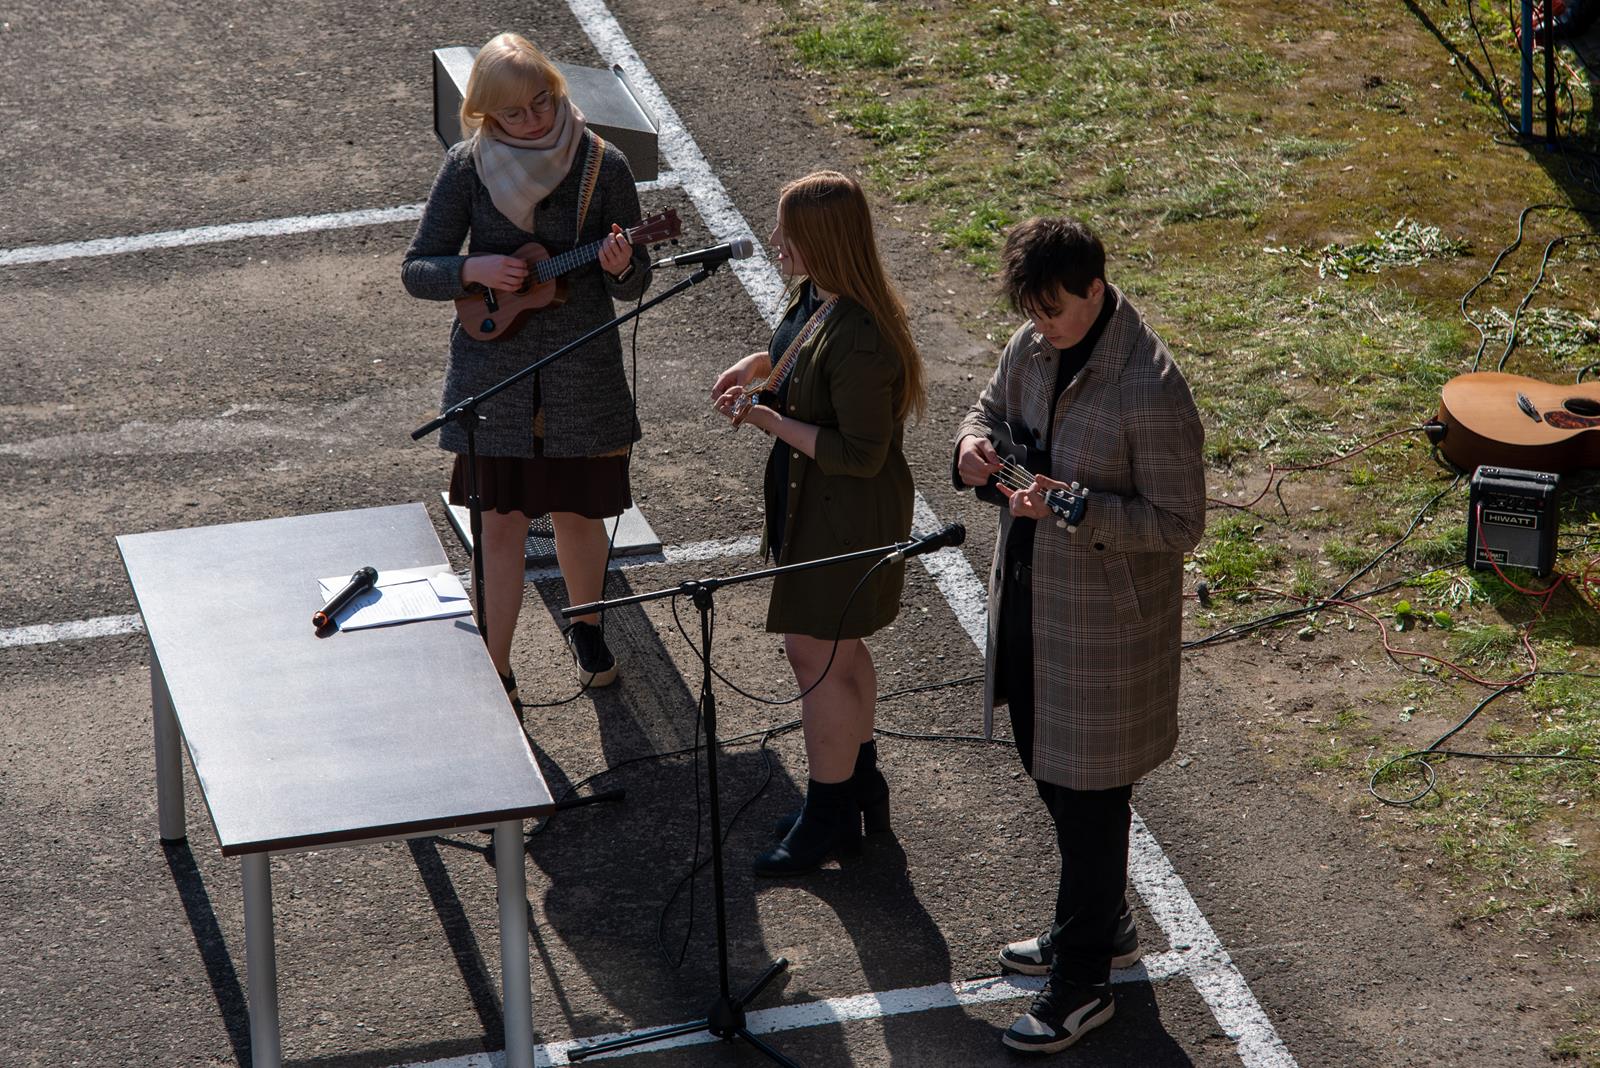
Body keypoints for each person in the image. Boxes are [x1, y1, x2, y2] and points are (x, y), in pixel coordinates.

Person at [952, 217, 1205, 1053]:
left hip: (1103, 635)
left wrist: (1070, 505)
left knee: (1092, 802)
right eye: (1031, 311)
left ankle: (1084, 981)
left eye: (1054, 310)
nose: (1040, 325)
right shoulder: (1034, 343)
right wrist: (973, 447)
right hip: (1032, 604)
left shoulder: (1151, 389)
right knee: (1049, 772)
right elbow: (987, 410)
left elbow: (1179, 523)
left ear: (1095, 290)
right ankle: (1100, 923)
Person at [402, 33, 651, 706]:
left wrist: (622, 265)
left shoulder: (604, 165)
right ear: (486, 114)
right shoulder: (466, 167)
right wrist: (473, 268)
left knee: (578, 515)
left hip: (580, 375)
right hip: (494, 384)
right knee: (500, 526)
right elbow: (418, 270)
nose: (535, 119)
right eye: (514, 112)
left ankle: (588, 630)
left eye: (542, 101)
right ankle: (497, 669)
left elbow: (636, 282)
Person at [710, 171, 925, 877]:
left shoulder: (861, 339)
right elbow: (798, 353)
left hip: (845, 517)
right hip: (821, 508)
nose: (776, 241)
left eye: (789, 233)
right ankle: (858, 789)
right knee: (839, 653)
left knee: (815, 657)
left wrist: (767, 418)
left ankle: (830, 814)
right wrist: (759, 364)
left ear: (824, 243)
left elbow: (861, 455)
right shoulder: (818, 295)